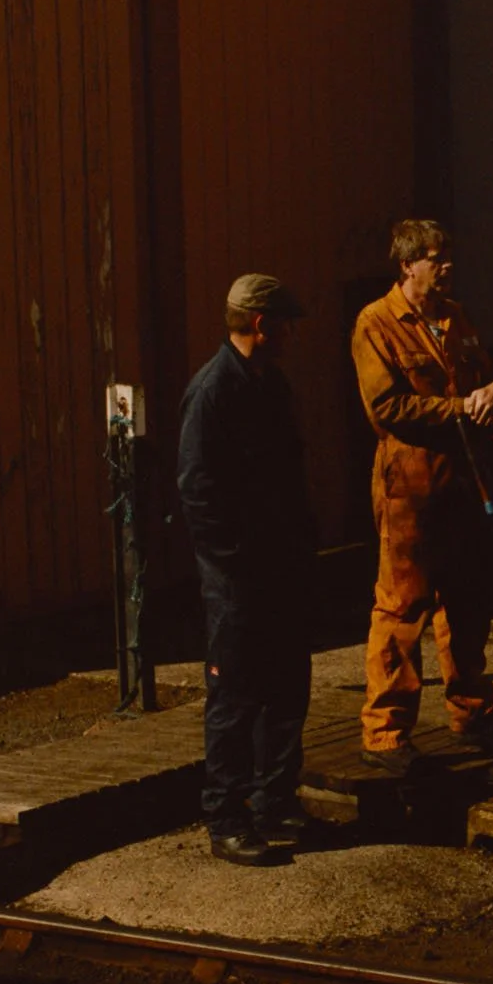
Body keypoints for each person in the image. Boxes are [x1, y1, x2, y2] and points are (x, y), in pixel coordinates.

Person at [350, 219, 493, 771]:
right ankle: (385, 730)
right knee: (402, 607)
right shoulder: (376, 324)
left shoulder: (455, 318)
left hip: (466, 483)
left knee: (468, 604)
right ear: (406, 265)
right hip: (410, 488)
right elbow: (387, 408)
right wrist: (461, 409)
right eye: (434, 257)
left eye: (447, 255)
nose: (446, 266)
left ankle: (473, 712)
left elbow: (484, 379)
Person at [175, 272, 319, 866]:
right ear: (261, 326)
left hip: (279, 565)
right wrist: (234, 565)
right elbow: (197, 490)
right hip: (240, 576)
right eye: (284, 323)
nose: (290, 333)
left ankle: (274, 802)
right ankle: (226, 818)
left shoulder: (266, 383)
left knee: (286, 688)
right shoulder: (214, 392)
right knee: (234, 696)